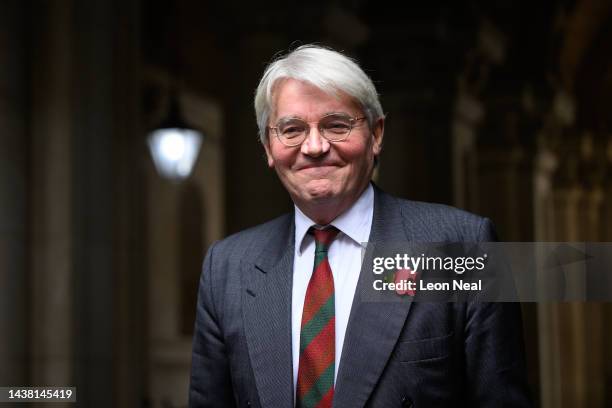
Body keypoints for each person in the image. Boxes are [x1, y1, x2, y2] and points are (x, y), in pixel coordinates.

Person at [189, 44, 531, 408]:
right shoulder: (227, 268)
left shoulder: (462, 246)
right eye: (291, 129)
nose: (315, 146)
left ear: (377, 135)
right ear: (268, 148)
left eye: (337, 125)